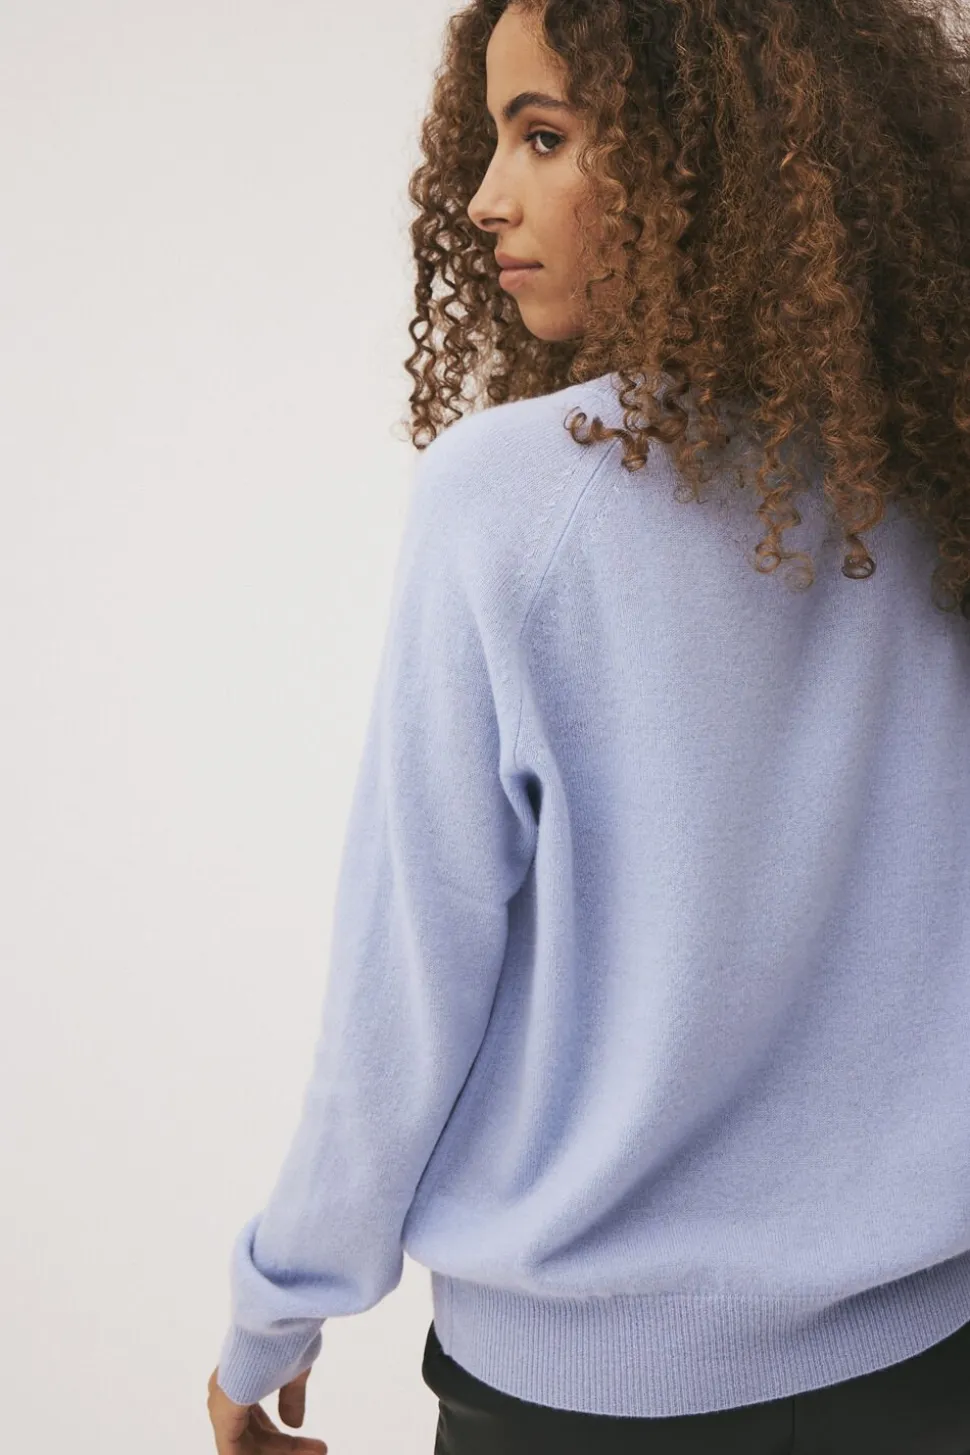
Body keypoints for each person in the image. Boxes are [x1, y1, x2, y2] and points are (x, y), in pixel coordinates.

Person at [208, 0, 970, 1450]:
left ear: (703, 154)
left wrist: (278, 1305)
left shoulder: (510, 496)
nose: (484, 199)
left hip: (582, 1391)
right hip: (929, 1355)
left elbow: (410, 967)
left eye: (545, 137)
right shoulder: (933, 467)